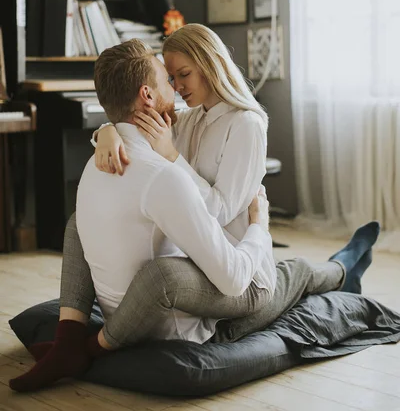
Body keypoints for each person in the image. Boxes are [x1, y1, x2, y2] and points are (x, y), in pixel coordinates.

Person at [9, 30, 380, 393]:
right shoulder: (188, 117)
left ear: (210, 64)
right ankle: (345, 264)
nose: (178, 85)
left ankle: (345, 265)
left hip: (241, 256)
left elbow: (217, 211)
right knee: (293, 270)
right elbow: (134, 117)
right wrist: (106, 131)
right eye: (171, 77)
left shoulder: (246, 125)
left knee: (294, 273)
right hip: (200, 254)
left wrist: (253, 222)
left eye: (183, 74)